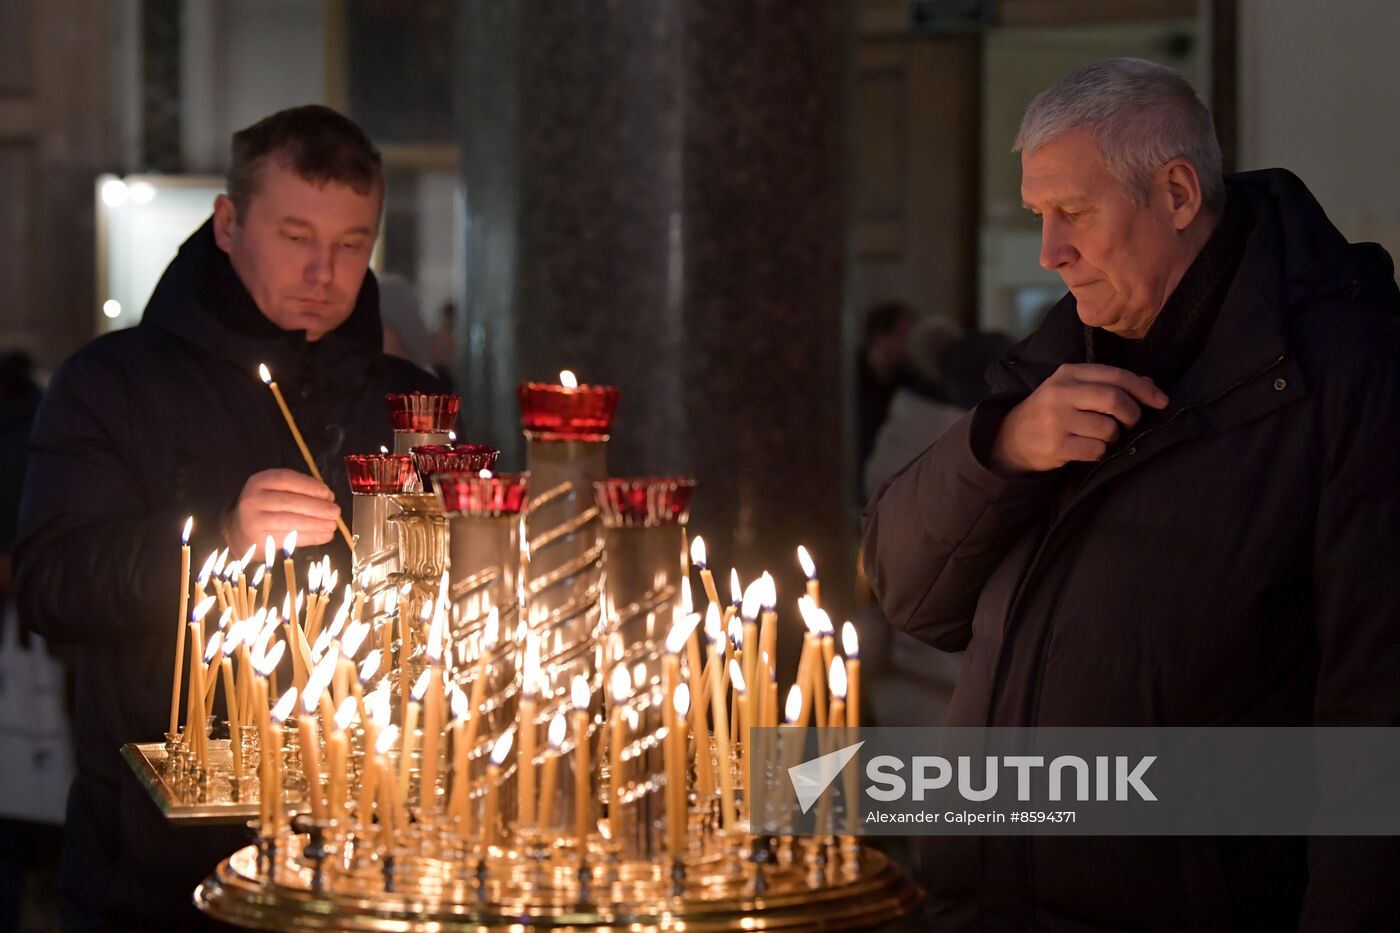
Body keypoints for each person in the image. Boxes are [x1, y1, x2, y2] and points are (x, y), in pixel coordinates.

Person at [862, 58, 1400, 931]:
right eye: (1038, 215)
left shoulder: (1346, 371)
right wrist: (1001, 446)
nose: (1050, 251)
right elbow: (908, 591)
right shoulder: (1062, 348)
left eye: (1074, 212)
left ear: (1178, 194)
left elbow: (1374, 718)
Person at [14, 105, 445, 930]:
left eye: (351, 243)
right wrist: (219, 539)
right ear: (227, 223)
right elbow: (51, 584)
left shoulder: (409, 402)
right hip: (158, 866)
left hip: (371, 850)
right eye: (294, 235)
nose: (323, 270)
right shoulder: (112, 383)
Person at [855, 301, 914, 489]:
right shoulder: (849, 380)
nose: (912, 343)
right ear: (880, 338)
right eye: (904, 335)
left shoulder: (909, 383)